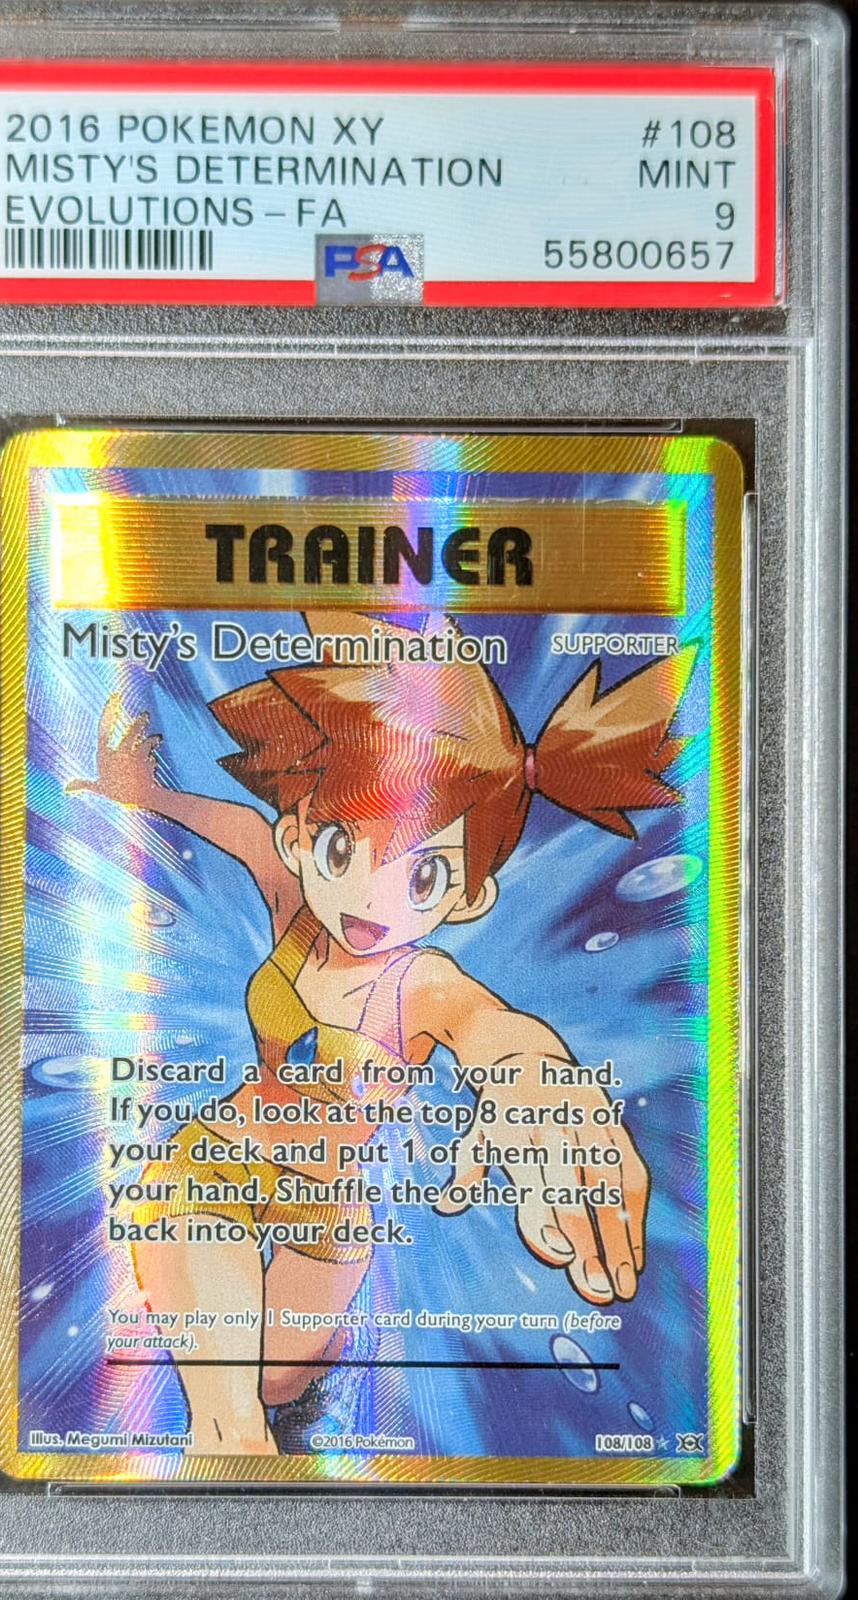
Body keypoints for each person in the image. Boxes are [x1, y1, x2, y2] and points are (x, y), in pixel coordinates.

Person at [71, 614, 695, 1456]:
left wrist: (537, 1082)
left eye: (423, 872)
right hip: (216, 1159)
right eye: (343, 848)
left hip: (331, 1207)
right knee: (230, 1422)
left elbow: (492, 1028)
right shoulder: (295, 905)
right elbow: (246, 831)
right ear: (302, 838)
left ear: (469, 895)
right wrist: (145, 795)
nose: (372, 895)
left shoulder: (421, 983)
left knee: (277, 1382)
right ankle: (229, 1445)